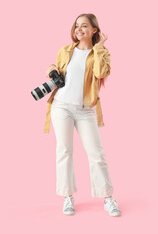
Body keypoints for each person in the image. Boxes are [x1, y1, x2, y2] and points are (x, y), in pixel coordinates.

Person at [45, 13, 121, 217]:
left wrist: (99, 48)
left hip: (86, 109)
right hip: (61, 107)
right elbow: (55, 66)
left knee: (97, 154)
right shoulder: (66, 49)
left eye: (84, 26)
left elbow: (101, 72)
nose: (79, 29)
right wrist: (51, 69)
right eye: (77, 25)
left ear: (94, 30)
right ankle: (67, 197)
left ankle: (108, 198)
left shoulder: (100, 52)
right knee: (64, 151)